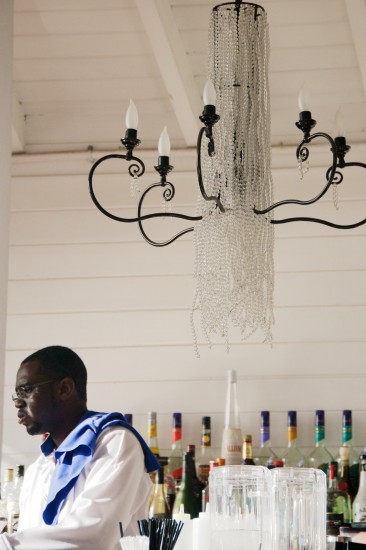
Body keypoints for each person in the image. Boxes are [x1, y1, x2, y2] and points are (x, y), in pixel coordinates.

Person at [0, 345, 159, 550]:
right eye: (16, 394)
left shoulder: (114, 444)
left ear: (64, 389)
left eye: (27, 390)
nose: (18, 403)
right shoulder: (37, 469)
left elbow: (94, 536)